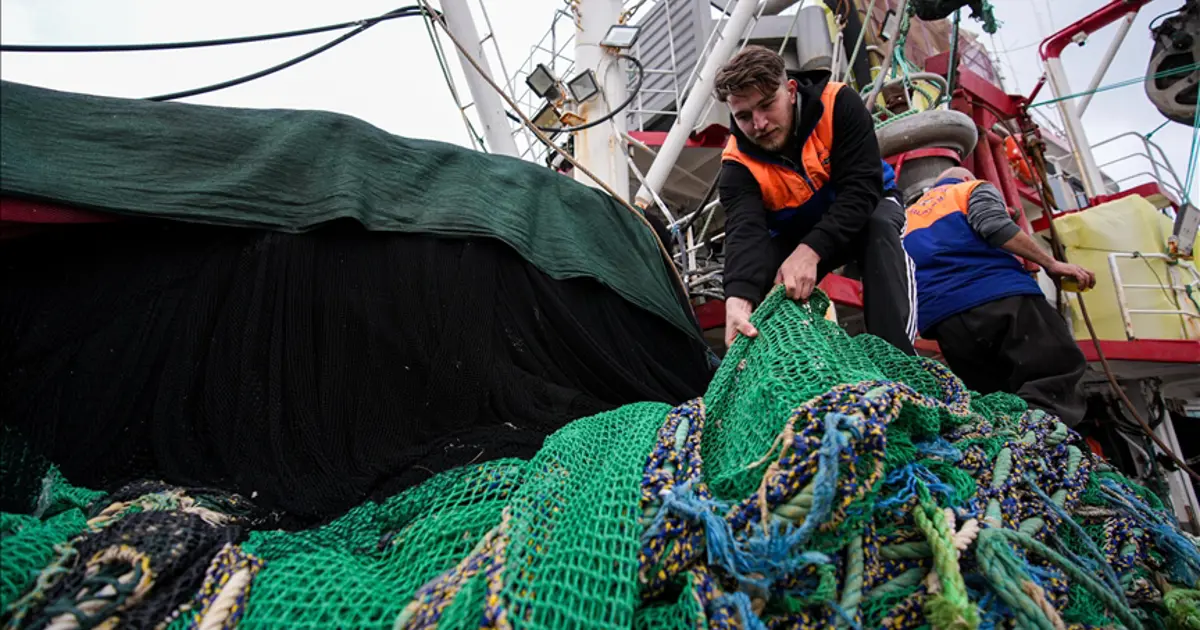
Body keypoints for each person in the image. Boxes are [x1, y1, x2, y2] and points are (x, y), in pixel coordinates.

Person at [715, 46, 917, 355]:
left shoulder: (839, 104)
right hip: (794, 231)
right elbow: (745, 230)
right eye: (743, 116)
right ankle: (781, 368)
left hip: (867, 207)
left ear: (792, 91)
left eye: (767, 105)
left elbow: (861, 188)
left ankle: (896, 357)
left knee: (878, 231)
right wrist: (738, 297)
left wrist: (811, 251)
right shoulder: (735, 164)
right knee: (760, 281)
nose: (759, 124)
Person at [903, 166, 1096, 426]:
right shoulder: (969, 189)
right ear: (966, 177)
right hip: (1000, 297)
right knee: (1054, 373)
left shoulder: (906, 217)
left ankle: (1006, 445)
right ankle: (1042, 439)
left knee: (992, 396)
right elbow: (994, 227)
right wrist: (1051, 263)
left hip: (945, 322)